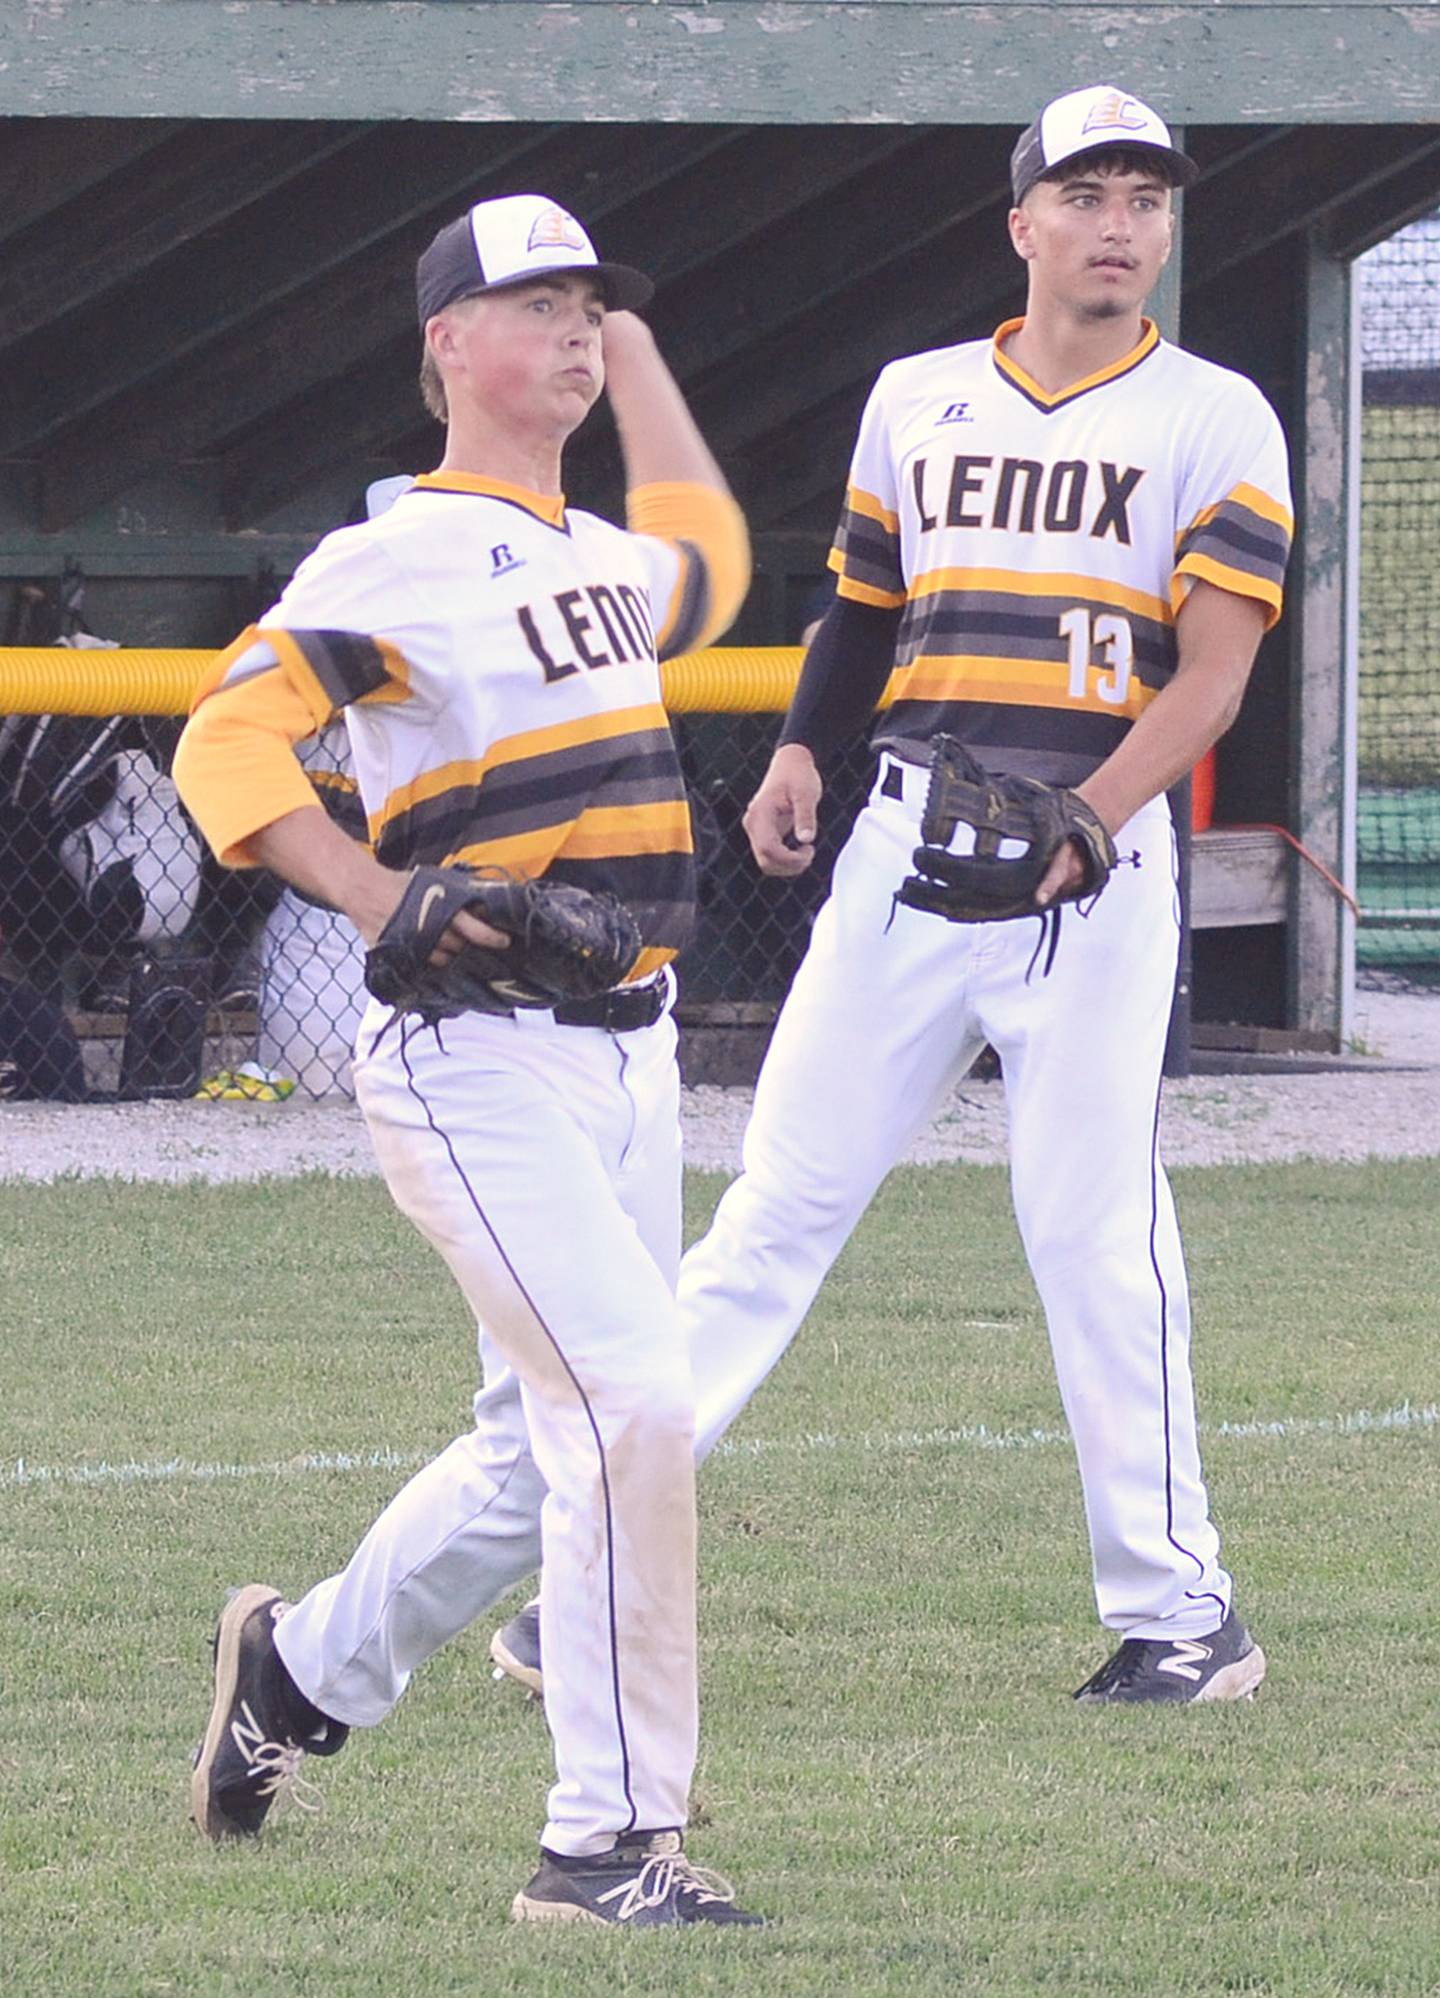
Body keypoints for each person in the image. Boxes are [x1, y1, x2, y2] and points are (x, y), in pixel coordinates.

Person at [493, 85, 1293, 1708]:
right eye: (1087, 193)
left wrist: (1090, 817)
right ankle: (598, 1552)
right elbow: (864, 609)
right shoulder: (919, 399)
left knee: (1089, 1233)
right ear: (1022, 223)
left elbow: (1212, 682)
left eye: (1147, 196)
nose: (1122, 223)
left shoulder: (1218, 415)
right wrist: (799, 753)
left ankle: (1179, 1610)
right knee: (772, 1213)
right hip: (908, 849)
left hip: (1093, 865)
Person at [174, 192, 762, 1927]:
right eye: (541, 304)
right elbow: (224, 734)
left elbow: (716, 557)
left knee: (539, 1448)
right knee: (633, 1402)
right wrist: (373, 892)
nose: (577, 329)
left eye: (595, 305)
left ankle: (294, 1677)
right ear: (446, 343)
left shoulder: (596, 555)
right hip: (473, 1055)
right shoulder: (392, 557)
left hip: (629, 1060)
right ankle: (604, 1844)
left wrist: (641, 358)